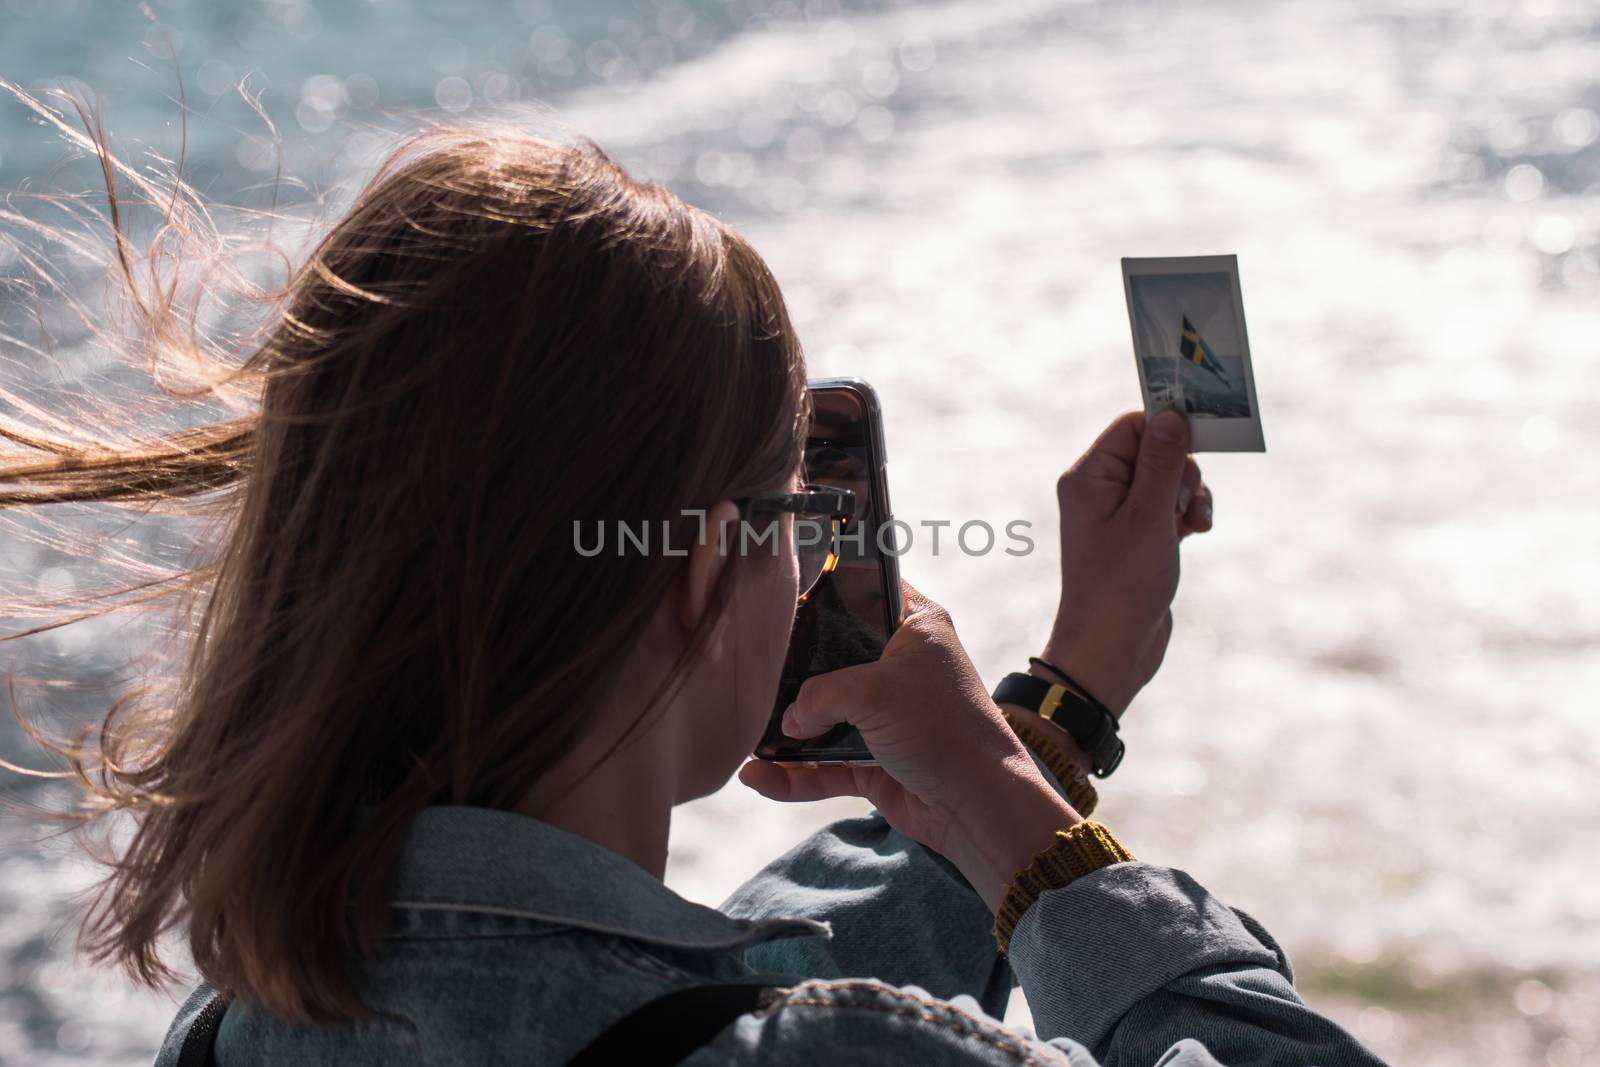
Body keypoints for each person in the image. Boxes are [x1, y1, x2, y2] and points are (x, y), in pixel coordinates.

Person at [0, 112, 1385, 1066]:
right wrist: (1015, 806)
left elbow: (674, 996)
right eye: (797, 515)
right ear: (710, 565)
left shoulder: (233, 1031)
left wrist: (1060, 706)